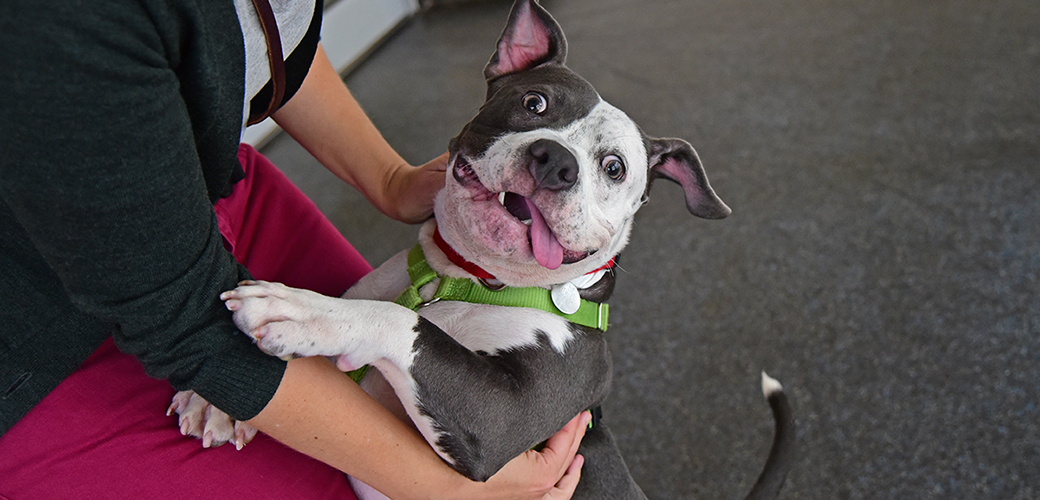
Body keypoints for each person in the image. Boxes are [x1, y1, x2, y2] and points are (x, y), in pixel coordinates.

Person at [0, 1, 587, 498]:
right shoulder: (64, 21)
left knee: (389, 365)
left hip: (206, 194)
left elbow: (267, 32)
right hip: (46, 336)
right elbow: (182, 326)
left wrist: (387, 178)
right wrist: (456, 488)